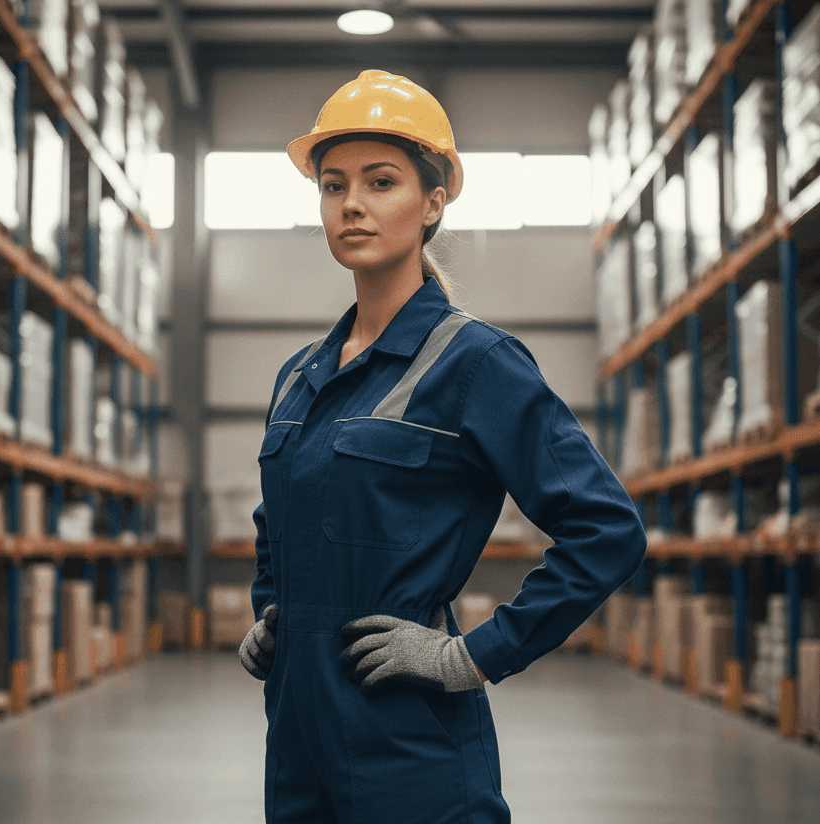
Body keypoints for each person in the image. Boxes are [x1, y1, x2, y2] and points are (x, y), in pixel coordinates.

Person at [238, 69, 647, 824]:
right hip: (296, 737)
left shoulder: (476, 364)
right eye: (332, 185)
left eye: (380, 181)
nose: (351, 203)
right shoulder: (298, 376)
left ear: (433, 203)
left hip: (407, 740)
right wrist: (275, 615)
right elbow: (281, 521)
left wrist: (473, 655)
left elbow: (606, 531)